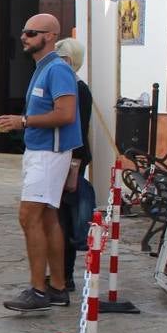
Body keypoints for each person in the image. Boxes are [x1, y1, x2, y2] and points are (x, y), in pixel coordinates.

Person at [0, 14, 82, 313]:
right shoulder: (43, 69)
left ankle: (38, 290)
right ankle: (56, 286)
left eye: (31, 33)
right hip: (42, 152)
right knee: (46, 218)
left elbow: (66, 113)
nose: (24, 37)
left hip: (49, 153)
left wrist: (23, 121)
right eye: (24, 31)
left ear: (50, 36)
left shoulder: (57, 69)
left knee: (29, 217)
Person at [55, 37, 94, 291]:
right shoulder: (70, 86)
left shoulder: (78, 90)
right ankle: (60, 274)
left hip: (73, 160)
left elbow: (78, 129)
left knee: (65, 221)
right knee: (58, 218)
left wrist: (75, 165)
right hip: (67, 159)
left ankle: (65, 276)